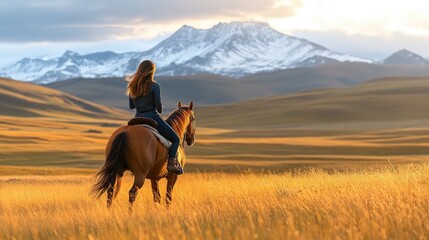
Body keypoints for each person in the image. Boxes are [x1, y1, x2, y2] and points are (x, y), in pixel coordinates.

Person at [126, 60, 183, 175]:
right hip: (152, 117)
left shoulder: (132, 85)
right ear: (151, 72)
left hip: (136, 119)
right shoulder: (155, 86)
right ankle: (171, 164)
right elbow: (159, 108)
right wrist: (159, 107)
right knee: (176, 139)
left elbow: (131, 106)